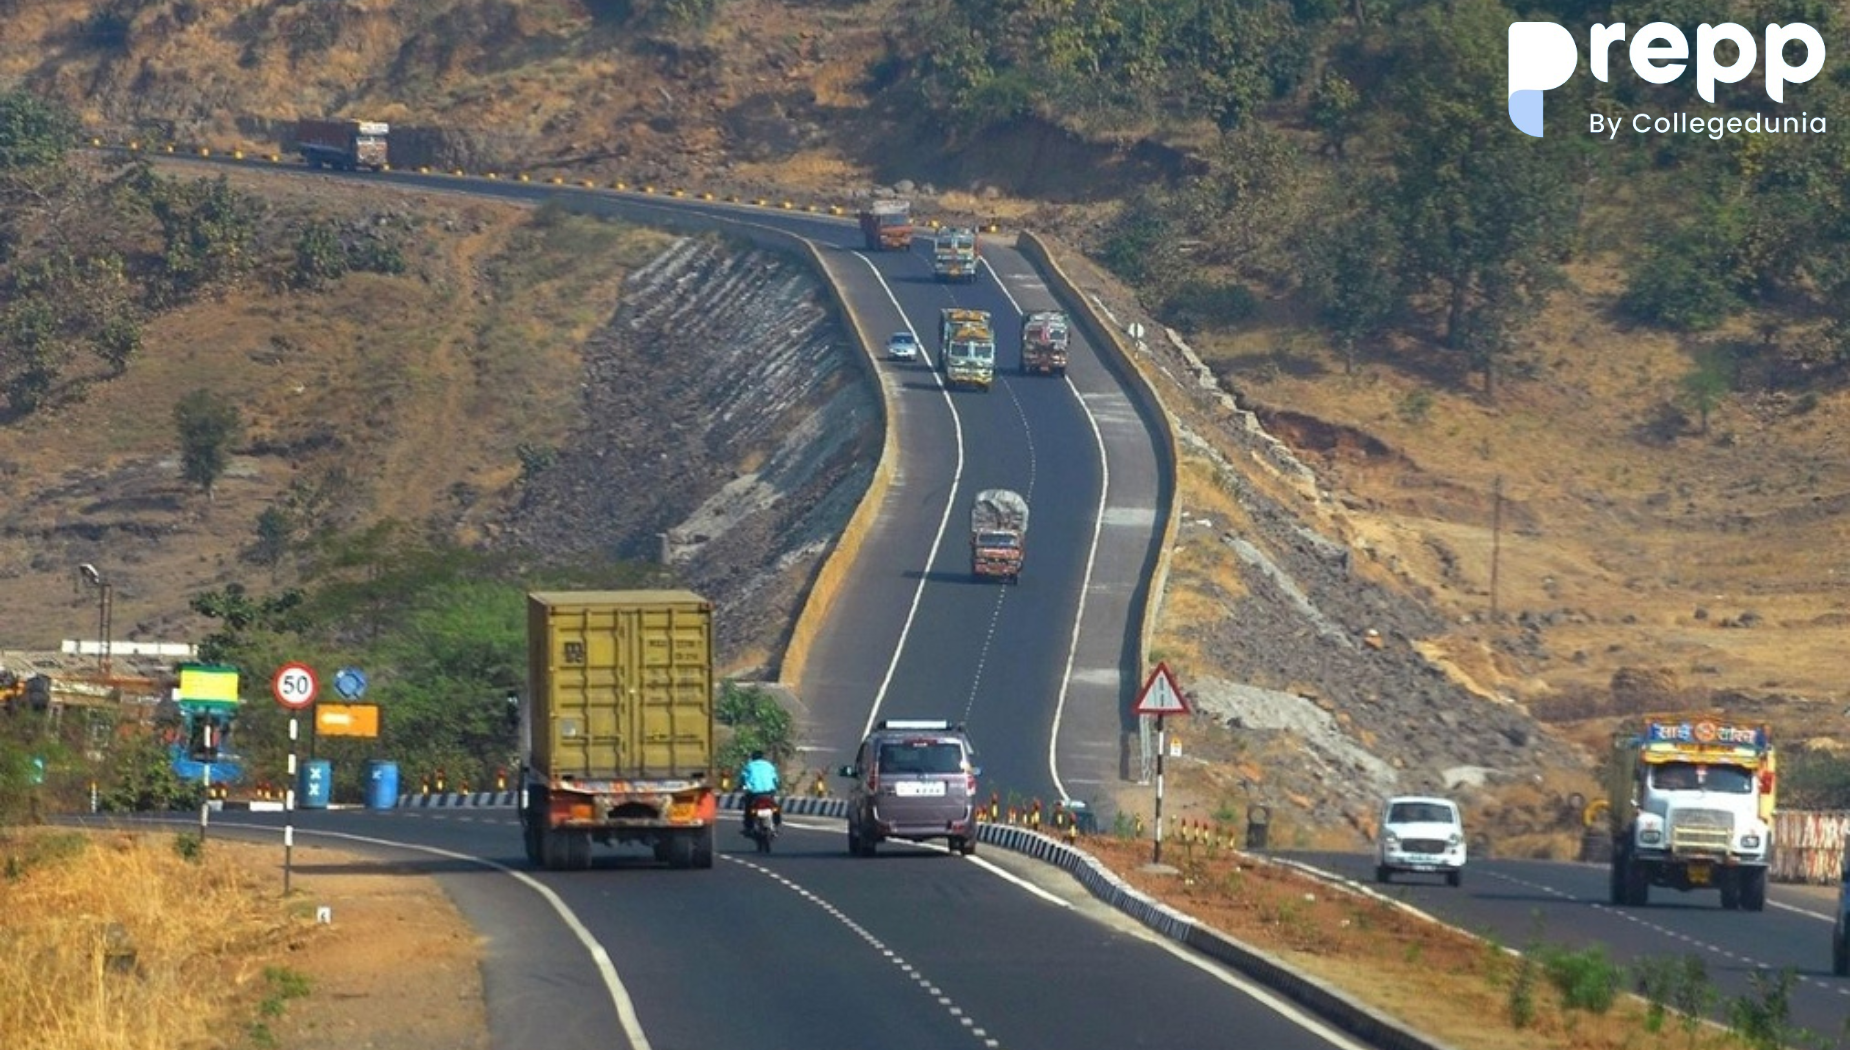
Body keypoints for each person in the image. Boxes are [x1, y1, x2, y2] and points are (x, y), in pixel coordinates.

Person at [738, 750, 781, 835]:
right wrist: (777, 785)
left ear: (752, 758)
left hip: (754, 793)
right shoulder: (769, 765)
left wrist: (741, 785)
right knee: (775, 807)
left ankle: (749, 827)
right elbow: (775, 779)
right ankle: (776, 823)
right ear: (762, 757)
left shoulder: (749, 766)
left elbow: (742, 778)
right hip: (769, 792)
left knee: (749, 808)